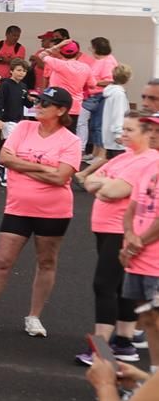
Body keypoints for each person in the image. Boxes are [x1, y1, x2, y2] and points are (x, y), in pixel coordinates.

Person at [0, 86, 82, 336]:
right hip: (18, 208)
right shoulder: (24, 128)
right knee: (2, 261)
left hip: (53, 211)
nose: (38, 106)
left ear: (61, 110)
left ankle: (34, 317)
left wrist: (23, 165)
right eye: (38, 101)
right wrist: (44, 168)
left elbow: (61, 177)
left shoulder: (71, 141)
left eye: (45, 103)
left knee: (46, 262)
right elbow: (5, 159)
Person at [78, 112, 158, 366]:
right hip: (106, 227)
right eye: (122, 129)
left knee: (104, 285)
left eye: (129, 130)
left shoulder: (148, 160)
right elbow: (87, 182)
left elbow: (113, 191)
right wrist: (103, 183)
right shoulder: (123, 157)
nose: (122, 133)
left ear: (146, 134)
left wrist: (103, 183)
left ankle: (101, 350)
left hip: (121, 230)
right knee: (122, 286)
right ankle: (123, 342)